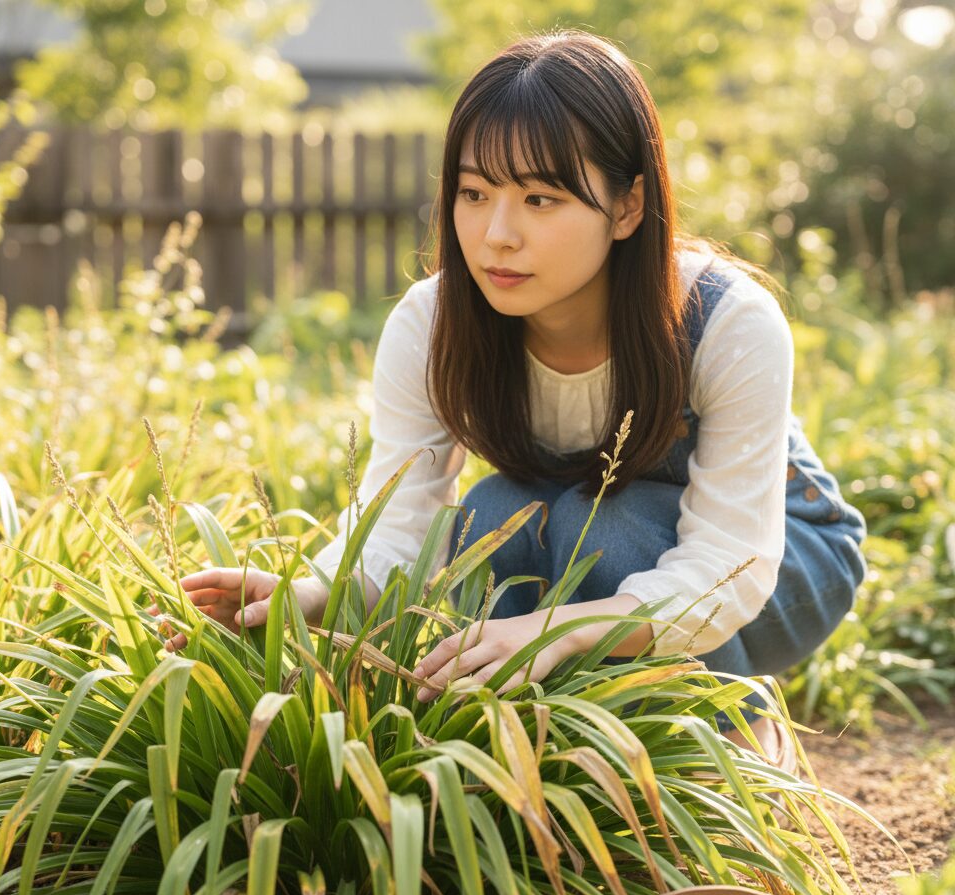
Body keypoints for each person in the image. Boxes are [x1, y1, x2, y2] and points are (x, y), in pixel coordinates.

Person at [165, 31, 867, 772]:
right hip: (586, 545)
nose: (497, 235)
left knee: (606, 527)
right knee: (497, 518)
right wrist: (312, 596)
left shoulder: (726, 321)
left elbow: (733, 561)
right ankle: (539, 774)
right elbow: (402, 521)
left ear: (628, 206)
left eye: (539, 197)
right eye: (474, 194)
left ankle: (736, 744)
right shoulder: (432, 325)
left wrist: (554, 630)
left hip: (782, 560)